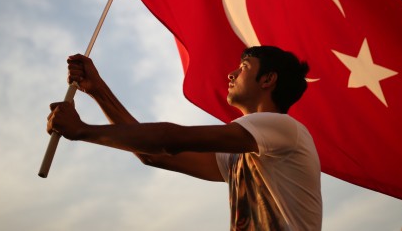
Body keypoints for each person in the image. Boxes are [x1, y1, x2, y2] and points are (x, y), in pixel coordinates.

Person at [47, 46, 322, 230]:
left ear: (267, 79)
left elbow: (170, 139)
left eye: (245, 66)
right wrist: (98, 91)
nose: (232, 73)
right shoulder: (242, 154)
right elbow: (153, 154)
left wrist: (82, 130)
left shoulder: (283, 128)